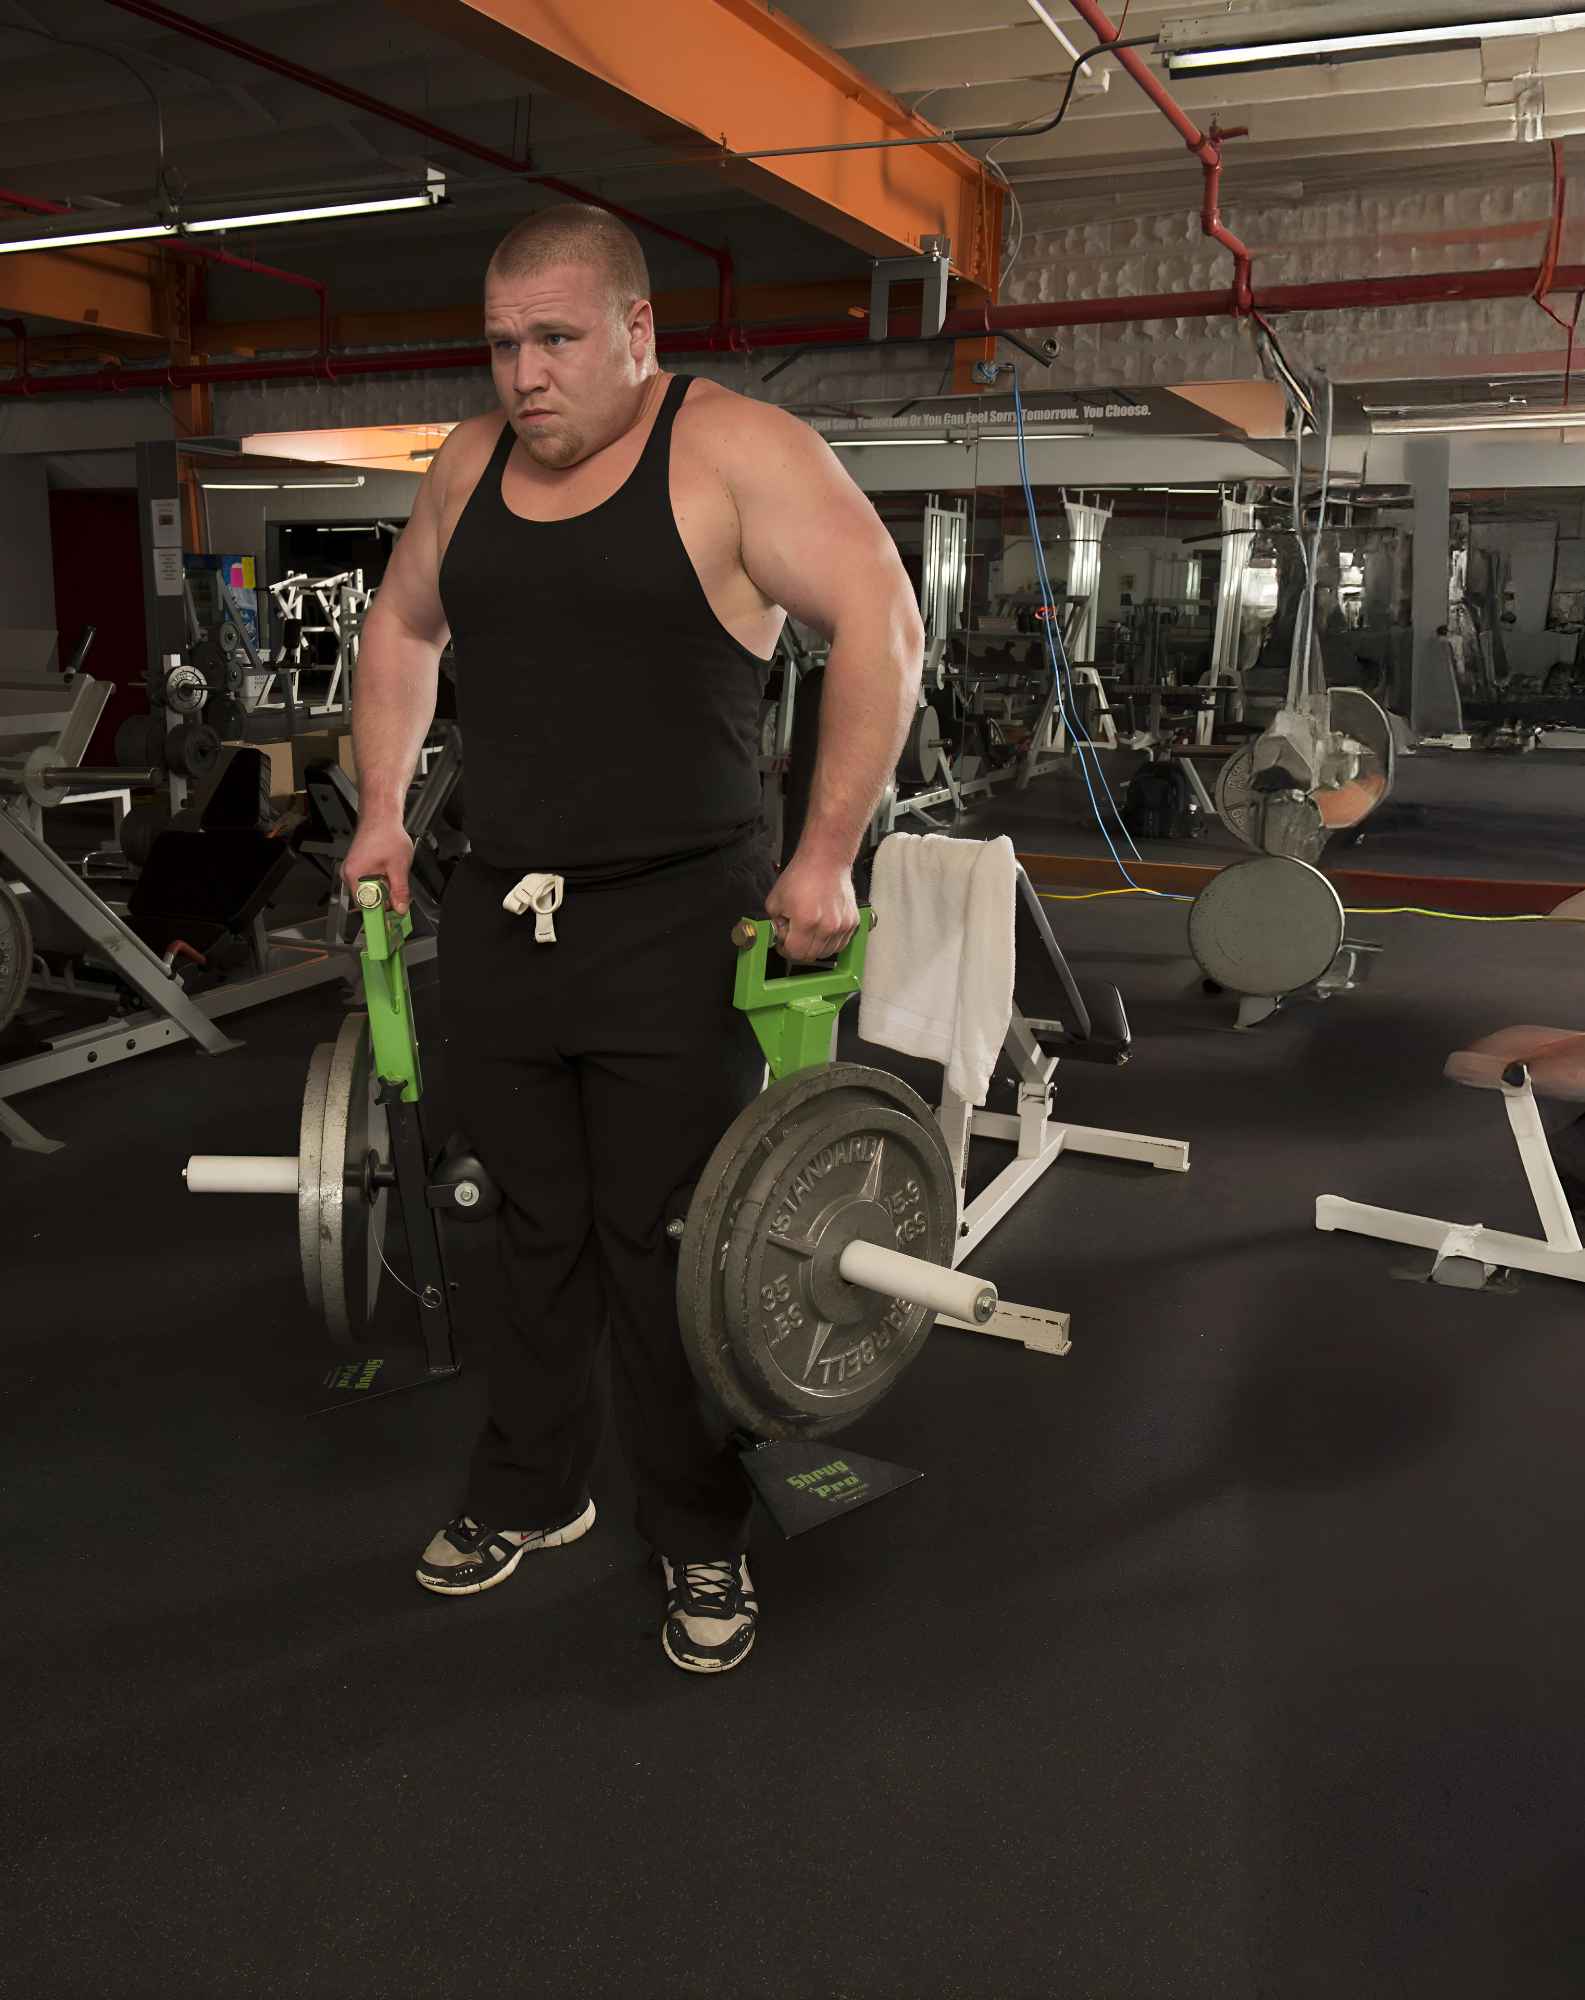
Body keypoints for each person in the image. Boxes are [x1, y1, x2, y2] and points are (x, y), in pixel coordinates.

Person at [342, 203, 920, 1674]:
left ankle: (701, 1529)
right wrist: (387, 811)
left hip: (683, 918)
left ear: (636, 332)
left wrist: (828, 855)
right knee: (524, 1220)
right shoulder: (467, 465)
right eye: (499, 344)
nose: (523, 374)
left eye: (554, 339)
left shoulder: (730, 450)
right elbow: (404, 629)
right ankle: (534, 1489)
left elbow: (882, 621)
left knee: (673, 1240)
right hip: (500, 909)